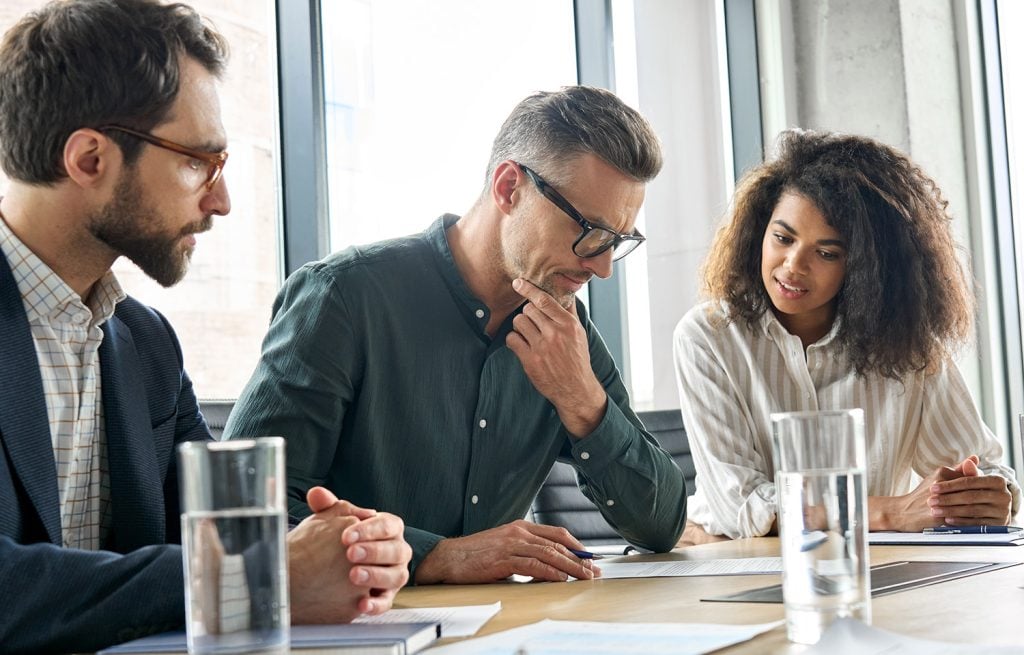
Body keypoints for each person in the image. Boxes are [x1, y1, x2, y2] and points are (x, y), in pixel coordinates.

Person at [0, 2, 410, 653]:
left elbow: (215, 537)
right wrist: (262, 575)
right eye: (199, 161)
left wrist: (350, 551)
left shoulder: (147, 344)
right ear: (88, 158)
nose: (222, 201)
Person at [224, 85, 687, 584]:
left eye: (617, 242)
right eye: (590, 231)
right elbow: (241, 507)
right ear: (510, 188)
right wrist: (437, 556)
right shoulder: (344, 297)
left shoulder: (565, 330)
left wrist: (582, 400)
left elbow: (660, 527)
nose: (602, 269)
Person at [673, 129, 1021, 543]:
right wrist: (891, 512)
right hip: (729, 556)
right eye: (782, 238)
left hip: (874, 564)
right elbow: (743, 508)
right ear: (758, 232)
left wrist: (980, 494)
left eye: (827, 253)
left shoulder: (908, 344)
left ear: (865, 268)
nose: (793, 266)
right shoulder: (708, 337)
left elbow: (987, 468)